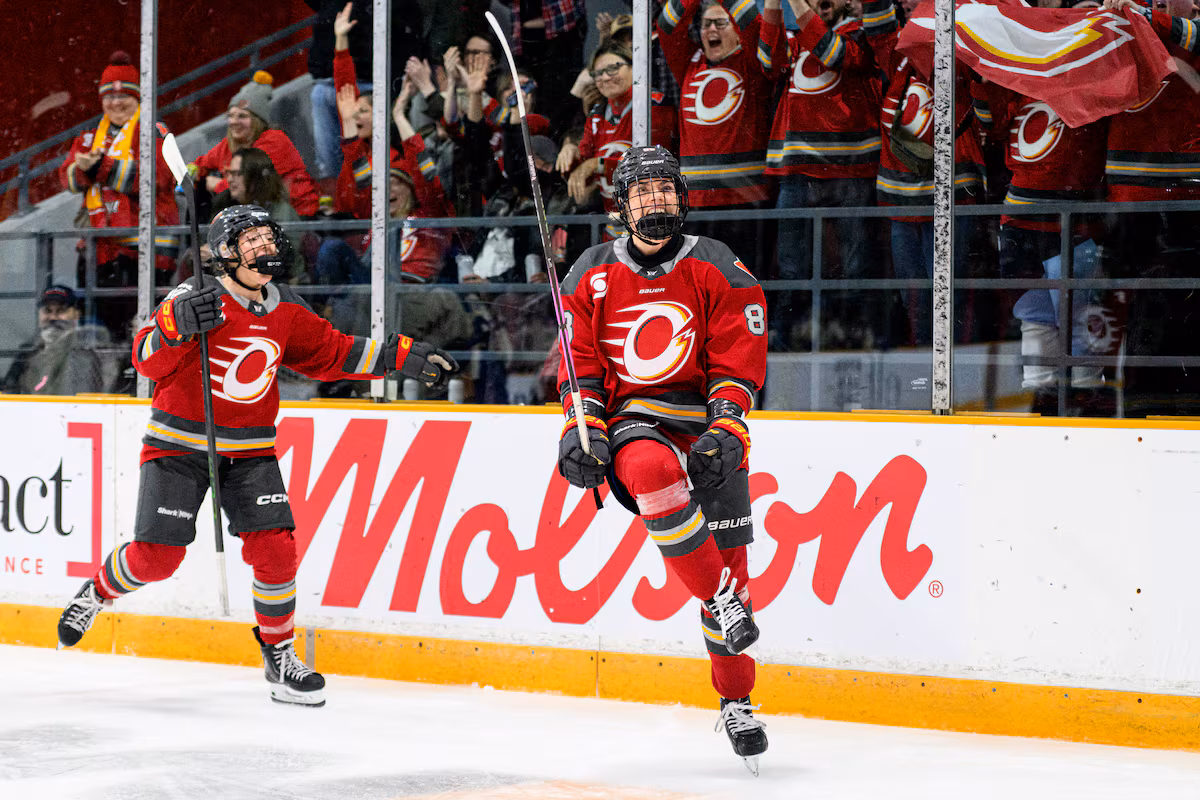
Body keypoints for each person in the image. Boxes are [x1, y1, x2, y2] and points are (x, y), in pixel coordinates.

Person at [55, 205, 460, 708]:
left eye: (268, 238)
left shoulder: (284, 306)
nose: (265, 247)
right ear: (226, 254)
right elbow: (145, 359)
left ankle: (279, 656)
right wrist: (176, 328)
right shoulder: (193, 295)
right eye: (252, 241)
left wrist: (400, 356)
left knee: (276, 553)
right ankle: (97, 592)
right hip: (179, 445)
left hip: (250, 450)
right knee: (157, 558)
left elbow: (331, 352)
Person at [554, 145, 768, 772]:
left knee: (732, 566)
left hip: (705, 424)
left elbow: (737, 354)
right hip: (635, 421)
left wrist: (727, 427)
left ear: (682, 196)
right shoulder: (591, 272)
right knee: (652, 472)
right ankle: (720, 598)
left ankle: (737, 700)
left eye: (665, 189)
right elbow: (579, 363)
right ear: (621, 205)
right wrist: (581, 428)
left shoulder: (716, 263)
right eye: (643, 192)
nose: (657, 200)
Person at [60, 51, 180, 342]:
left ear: (138, 98)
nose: (116, 103)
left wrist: (100, 167)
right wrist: (84, 170)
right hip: (100, 251)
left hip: (146, 251)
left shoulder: (155, 131)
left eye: (124, 96)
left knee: (145, 332)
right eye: (109, 97)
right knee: (101, 334)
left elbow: (156, 177)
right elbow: (67, 179)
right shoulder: (89, 136)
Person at [558, 43, 677, 240]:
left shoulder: (654, 104)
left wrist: (598, 164)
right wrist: (569, 151)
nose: (605, 77)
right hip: (612, 227)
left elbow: (654, 163)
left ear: (635, 67)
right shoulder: (597, 113)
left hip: (654, 221)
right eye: (598, 73)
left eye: (613, 68)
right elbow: (582, 170)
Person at [191, 71, 320, 217]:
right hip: (258, 215)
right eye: (231, 116)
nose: (234, 122)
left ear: (257, 120)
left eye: (242, 116)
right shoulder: (228, 144)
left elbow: (252, 186)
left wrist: (217, 184)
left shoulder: (275, 141)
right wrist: (191, 174)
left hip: (295, 216)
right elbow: (200, 165)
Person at [209, 148, 306, 284]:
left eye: (237, 174)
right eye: (229, 173)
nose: (230, 179)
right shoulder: (224, 206)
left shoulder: (281, 212)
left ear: (255, 178)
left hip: (276, 285)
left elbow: (282, 259)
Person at [2, 285, 116, 396]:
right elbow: (9, 391)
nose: (53, 317)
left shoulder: (88, 350)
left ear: (76, 315)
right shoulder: (28, 351)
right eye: (47, 311)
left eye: (61, 311)